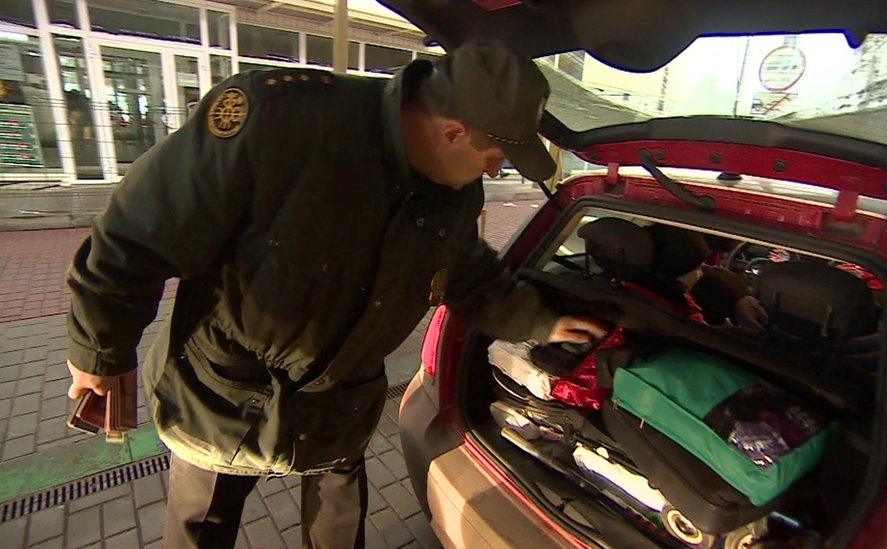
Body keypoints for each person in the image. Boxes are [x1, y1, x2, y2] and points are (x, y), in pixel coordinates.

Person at [64, 41, 606, 548]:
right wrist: (100, 350)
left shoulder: (456, 192)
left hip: (340, 403)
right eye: (495, 154)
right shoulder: (282, 121)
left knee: (338, 532)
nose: (496, 169)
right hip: (227, 394)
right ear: (452, 130)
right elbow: (137, 233)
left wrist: (538, 322)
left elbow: (466, 270)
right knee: (202, 527)